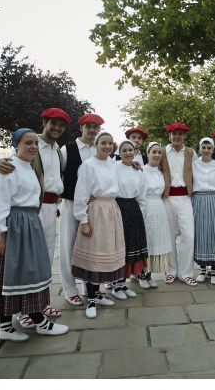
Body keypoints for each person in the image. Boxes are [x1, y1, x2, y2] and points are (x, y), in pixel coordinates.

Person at [0, 107, 70, 328]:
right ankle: (25, 311)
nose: (56, 128)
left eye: (61, 125)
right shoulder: (20, 154)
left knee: (43, 259)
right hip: (28, 213)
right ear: (44, 123)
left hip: (45, 208)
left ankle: (39, 303)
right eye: (53, 123)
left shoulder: (57, 151)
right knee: (25, 262)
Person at [59, 113, 114, 307]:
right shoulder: (68, 149)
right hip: (71, 203)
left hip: (95, 208)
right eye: (88, 126)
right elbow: (58, 176)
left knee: (89, 248)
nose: (92, 130)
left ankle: (88, 286)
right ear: (81, 128)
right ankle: (70, 289)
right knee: (68, 247)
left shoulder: (99, 150)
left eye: (95, 127)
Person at [72, 132, 127, 319]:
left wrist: (135, 164)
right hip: (96, 212)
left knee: (107, 253)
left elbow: (127, 167)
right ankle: (91, 299)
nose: (107, 146)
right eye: (103, 143)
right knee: (94, 254)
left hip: (111, 209)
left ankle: (100, 293)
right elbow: (80, 194)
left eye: (110, 143)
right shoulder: (87, 166)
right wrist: (83, 220)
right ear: (96, 144)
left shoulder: (113, 163)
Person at [159, 122, 199, 286]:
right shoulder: (162, 152)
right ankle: (172, 271)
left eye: (180, 134)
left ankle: (186, 273)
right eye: (174, 134)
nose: (177, 137)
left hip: (185, 198)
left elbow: (201, 170)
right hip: (167, 198)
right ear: (169, 136)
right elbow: (152, 168)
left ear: (184, 136)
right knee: (169, 236)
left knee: (189, 236)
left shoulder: (190, 152)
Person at [113, 140, 149, 297]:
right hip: (117, 208)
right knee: (119, 247)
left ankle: (123, 283)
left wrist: (140, 213)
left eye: (131, 150)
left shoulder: (138, 172)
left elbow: (142, 195)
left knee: (130, 247)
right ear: (119, 153)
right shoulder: (113, 168)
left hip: (133, 210)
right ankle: (115, 285)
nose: (128, 153)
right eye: (124, 150)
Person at [192, 137, 215, 284]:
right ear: (199, 149)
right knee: (200, 233)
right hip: (198, 199)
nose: (206, 150)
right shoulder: (193, 165)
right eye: (203, 147)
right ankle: (203, 269)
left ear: (213, 149)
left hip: (214, 199)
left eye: (209, 148)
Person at [142, 142, 172, 287]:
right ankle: (141, 274)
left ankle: (149, 274)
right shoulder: (141, 170)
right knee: (145, 240)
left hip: (159, 207)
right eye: (154, 152)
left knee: (155, 241)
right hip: (145, 206)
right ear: (147, 153)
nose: (157, 155)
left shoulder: (161, 173)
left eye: (159, 153)